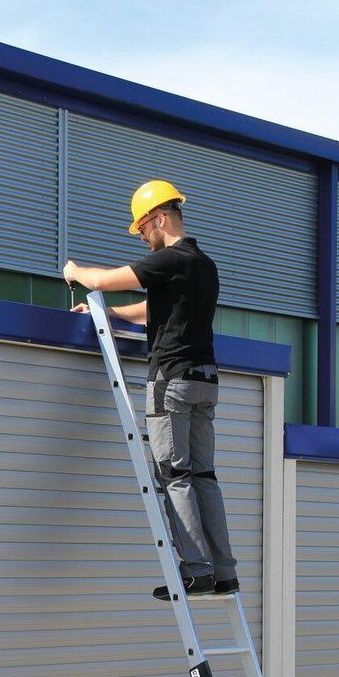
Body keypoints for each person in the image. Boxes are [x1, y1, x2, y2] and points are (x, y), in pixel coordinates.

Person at [64, 180, 239, 600]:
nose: (142, 238)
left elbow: (104, 279)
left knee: (174, 476)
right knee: (203, 476)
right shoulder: (203, 264)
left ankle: (195, 571)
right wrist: (105, 313)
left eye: (142, 229)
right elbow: (153, 310)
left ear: (159, 218)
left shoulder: (170, 259)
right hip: (205, 381)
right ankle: (224, 572)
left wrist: (75, 272)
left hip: (172, 382)